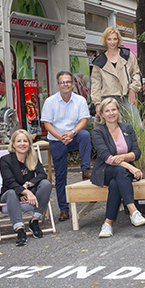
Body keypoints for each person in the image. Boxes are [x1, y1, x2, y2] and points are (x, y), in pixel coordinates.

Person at [90, 98, 145, 238]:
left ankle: (108, 223)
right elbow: (106, 157)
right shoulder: (98, 131)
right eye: (107, 111)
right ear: (102, 114)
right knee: (120, 171)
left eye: (113, 109)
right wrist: (130, 166)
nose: (111, 113)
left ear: (118, 111)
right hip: (105, 170)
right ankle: (133, 211)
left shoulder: (127, 128)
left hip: (121, 173)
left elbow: (137, 152)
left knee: (116, 182)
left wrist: (121, 158)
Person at [41, 71, 92, 222]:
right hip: (57, 139)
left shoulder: (80, 100)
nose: (66, 84)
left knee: (85, 135)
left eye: (68, 82)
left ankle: (86, 169)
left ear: (73, 84)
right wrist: (60, 137)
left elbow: (83, 120)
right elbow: (47, 123)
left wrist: (72, 133)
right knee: (61, 175)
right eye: (62, 82)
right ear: (58, 85)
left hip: (74, 135)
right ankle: (64, 209)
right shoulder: (50, 101)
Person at [0, 130, 52, 247]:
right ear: (13, 144)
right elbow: (9, 181)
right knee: (12, 192)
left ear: (29, 143)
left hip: (28, 192)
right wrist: (25, 192)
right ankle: (20, 229)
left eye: (25, 141)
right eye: (18, 141)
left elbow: (42, 175)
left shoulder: (32, 157)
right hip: (9, 194)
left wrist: (27, 185)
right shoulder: (5, 160)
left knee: (45, 184)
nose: (22, 144)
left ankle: (34, 221)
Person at [90, 26, 141, 114]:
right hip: (107, 99)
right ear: (105, 40)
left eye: (115, 39)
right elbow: (95, 84)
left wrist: (133, 88)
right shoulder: (99, 62)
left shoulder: (128, 55)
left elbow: (136, 73)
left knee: (137, 127)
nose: (112, 42)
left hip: (126, 97)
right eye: (109, 39)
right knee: (111, 127)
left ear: (118, 40)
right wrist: (97, 103)